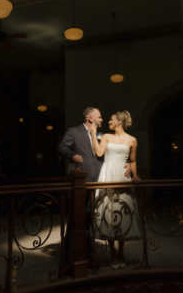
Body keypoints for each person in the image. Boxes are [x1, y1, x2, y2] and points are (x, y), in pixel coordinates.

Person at [58, 107, 131, 263]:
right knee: (77, 218)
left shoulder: (101, 134)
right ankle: (70, 254)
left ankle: (90, 254)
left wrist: (128, 164)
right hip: (80, 182)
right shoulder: (74, 131)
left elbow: (111, 153)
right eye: (99, 116)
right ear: (91, 118)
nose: (102, 119)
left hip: (99, 181)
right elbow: (62, 148)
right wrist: (73, 155)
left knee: (93, 218)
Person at [89, 110, 142, 270]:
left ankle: (121, 252)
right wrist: (92, 133)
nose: (109, 122)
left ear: (119, 121)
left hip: (122, 177)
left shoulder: (132, 140)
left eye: (111, 119)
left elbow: (132, 161)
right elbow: (99, 152)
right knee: (109, 213)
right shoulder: (106, 137)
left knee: (123, 212)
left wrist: (136, 175)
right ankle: (112, 253)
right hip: (108, 175)